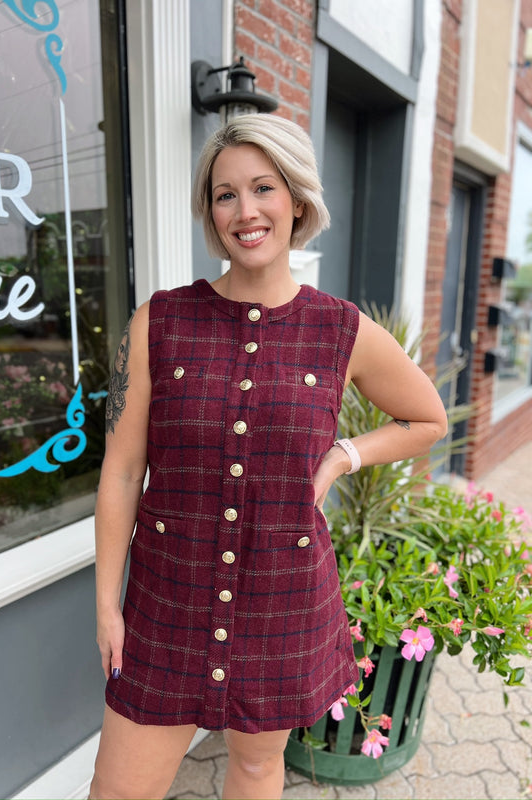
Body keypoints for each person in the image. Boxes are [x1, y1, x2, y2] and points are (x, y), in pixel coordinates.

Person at [89, 114, 447, 800]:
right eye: (225, 194)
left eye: (263, 188)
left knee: (256, 767)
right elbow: (123, 471)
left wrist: (343, 455)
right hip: (167, 600)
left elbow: (426, 417)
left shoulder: (342, 330)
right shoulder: (159, 322)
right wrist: (108, 605)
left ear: (298, 200)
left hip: (282, 599)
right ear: (209, 211)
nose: (245, 211)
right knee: (117, 791)